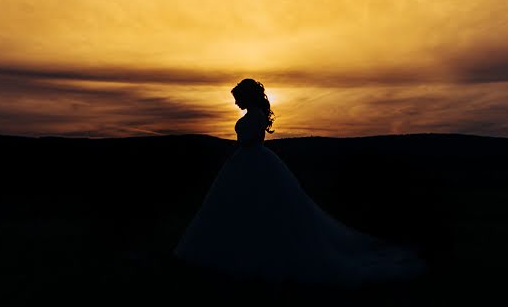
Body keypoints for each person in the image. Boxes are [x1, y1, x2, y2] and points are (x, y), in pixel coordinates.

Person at [173, 78, 424, 285]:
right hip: (248, 162)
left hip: (253, 163)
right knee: (245, 211)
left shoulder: (256, 116)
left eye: (238, 97)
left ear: (247, 96)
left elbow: (249, 140)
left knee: (260, 209)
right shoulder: (256, 114)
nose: (236, 102)